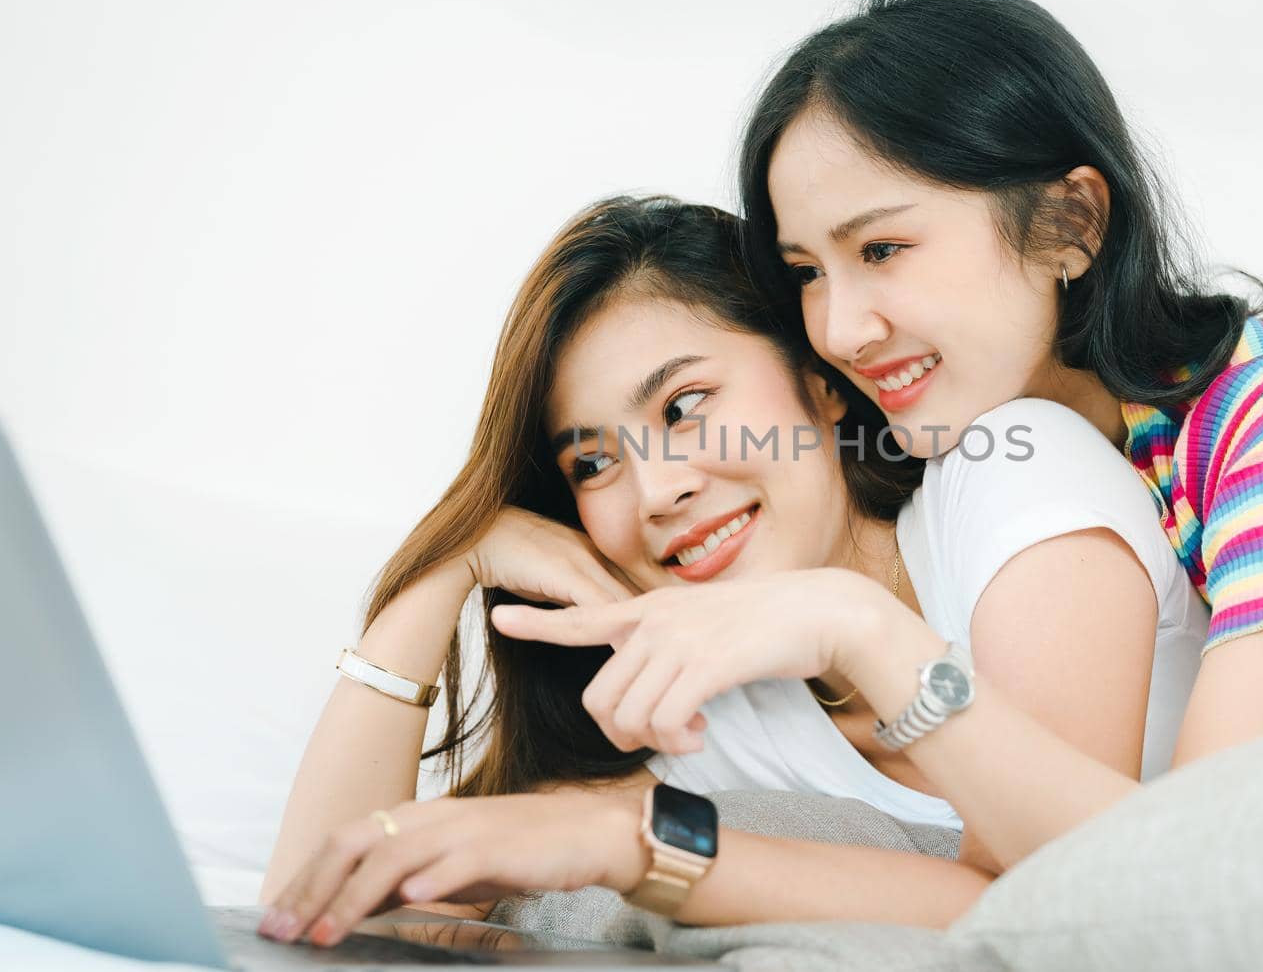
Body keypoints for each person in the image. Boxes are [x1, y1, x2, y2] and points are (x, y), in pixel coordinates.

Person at [476, 0, 1263, 880]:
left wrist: (861, 628)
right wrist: (465, 550)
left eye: (881, 247)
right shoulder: (1008, 444)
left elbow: (1206, 876)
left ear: (1068, 224)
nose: (836, 328)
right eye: (806, 273)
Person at [257, 195, 1208, 947]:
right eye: (591, 462)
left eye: (685, 403)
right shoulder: (703, 713)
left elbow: (1068, 907)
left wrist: (639, 844)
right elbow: (322, 909)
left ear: (821, 381)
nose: (659, 489)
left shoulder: (1011, 470)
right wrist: (448, 566)